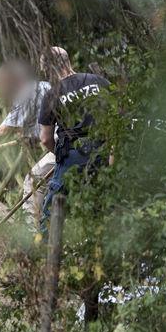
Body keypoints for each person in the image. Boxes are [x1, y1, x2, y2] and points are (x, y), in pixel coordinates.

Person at [0, 60, 54, 226]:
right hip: (70, 141)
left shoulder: (26, 93)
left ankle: (31, 235)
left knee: (33, 181)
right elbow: (37, 119)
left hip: (61, 145)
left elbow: (7, 126)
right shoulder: (45, 86)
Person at [37, 46, 110, 232]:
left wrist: (61, 154)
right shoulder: (98, 81)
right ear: (68, 61)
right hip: (104, 154)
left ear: (50, 68)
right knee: (98, 209)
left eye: (46, 70)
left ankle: (43, 253)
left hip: (73, 157)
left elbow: (45, 139)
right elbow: (120, 116)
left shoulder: (52, 95)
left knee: (53, 211)